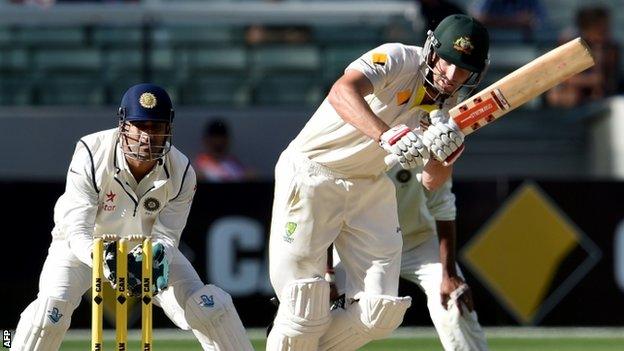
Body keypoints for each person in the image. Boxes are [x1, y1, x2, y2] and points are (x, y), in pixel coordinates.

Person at [266, 14, 489, 350]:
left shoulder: (448, 106)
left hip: (368, 186)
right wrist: (386, 135)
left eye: (464, 69)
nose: (453, 77)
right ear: (432, 51)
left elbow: (431, 182)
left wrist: (447, 153)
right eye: (448, 63)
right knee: (304, 303)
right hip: (312, 172)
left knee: (381, 311)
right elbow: (342, 91)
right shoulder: (398, 58)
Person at [11, 83, 253, 351]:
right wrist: (103, 257)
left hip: (146, 249)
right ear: (124, 125)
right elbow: (76, 228)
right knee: (48, 314)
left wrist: (158, 254)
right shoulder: (92, 153)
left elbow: (168, 234)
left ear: (168, 129)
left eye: (156, 127)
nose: (147, 137)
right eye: (140, 125)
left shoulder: (181, 170)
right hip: (85, 248)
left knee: (210, 307)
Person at [330, 161, 489, 351]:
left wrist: (450, 275)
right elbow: (327, 213)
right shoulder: (353, 150)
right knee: (318, 304)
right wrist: (328, 273)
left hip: (418, 241)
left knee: (455, 299)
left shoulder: (425, 142)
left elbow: (443, 205)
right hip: (361, 247)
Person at [546, 5, 621, 108]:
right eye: (601, 30)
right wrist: (590, 80)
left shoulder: (610, 47)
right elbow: (562, 78)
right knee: (566, 94)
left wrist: (599, 54)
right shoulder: (570, 43)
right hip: (571, 93)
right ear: (588, 28)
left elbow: (607, 80)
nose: (606, 34)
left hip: (599, 96)